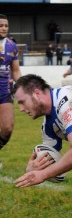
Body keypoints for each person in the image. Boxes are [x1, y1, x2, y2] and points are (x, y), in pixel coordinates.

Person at [0, 14, 22, 151]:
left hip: (4, 90)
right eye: (1, 25)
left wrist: (22, 86)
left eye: (6, 26)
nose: (4, 28)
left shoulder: (12, 46)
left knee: (7, 128)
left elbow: (15, 70)